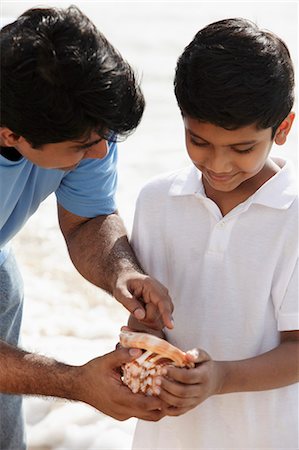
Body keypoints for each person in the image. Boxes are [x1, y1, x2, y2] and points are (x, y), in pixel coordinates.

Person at [0, 6, 174, 450]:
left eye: (106, 136)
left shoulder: (82, 120)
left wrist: (122, 273)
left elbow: (88, 219)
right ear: (9, 134)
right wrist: (77, 382)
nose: (100, 154)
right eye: (82, 146)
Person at [127, 18, 298, 449]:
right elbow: (146, 322)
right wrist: (138, 353)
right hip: (166, 436)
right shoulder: (156, 200)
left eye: (242, 149)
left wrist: (220, 377)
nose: (219, 165)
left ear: (282, 129)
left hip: (268, 437)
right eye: (198, 140)